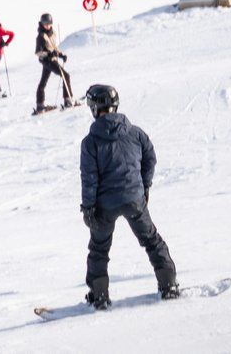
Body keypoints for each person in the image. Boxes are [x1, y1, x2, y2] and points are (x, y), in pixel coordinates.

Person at [80, 84, 178, 310]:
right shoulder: (135, 133)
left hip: (105, 205)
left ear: (95, 108)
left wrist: (88, 207)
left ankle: (99, 295)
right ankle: (168, 285)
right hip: (134, 199)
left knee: (99, 248)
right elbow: (150, 158)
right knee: (151, 240)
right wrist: (144, 186)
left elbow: (89, 177)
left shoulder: (91, 142)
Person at [34, 13, 74, 113]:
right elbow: (38, 52)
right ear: (42, 23)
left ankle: (40, 105)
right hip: (47, 60)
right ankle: (68, 100)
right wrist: (49, 54)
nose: (47, 26)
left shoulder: (52, 33)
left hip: (52, 59)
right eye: (45, 24)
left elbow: (53, 47)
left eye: (49, 24)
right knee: (65, 76)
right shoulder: (41, 36)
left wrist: (60, 54)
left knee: (43, 82)